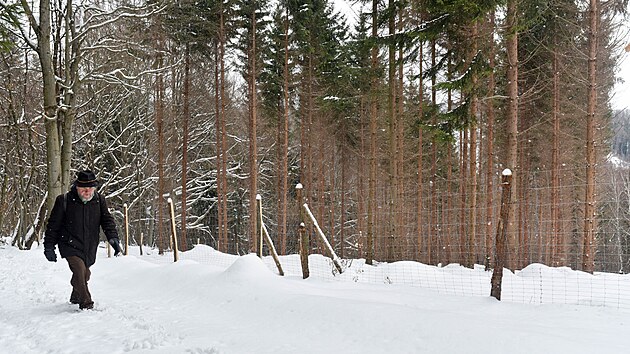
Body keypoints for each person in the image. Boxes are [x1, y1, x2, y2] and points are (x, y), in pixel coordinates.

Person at [43, 169, 122, 310]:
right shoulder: (64, 201)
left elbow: (107, 221)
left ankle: (75, 295)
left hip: (89, 245)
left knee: (85, 274)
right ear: (77, 188)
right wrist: (49, 246)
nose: (87, 192)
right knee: (79, 270)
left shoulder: (99, 200)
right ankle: (86, 303)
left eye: (90, 189)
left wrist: (113, 238)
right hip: (69, 243)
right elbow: (53, 225)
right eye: (84, 189)